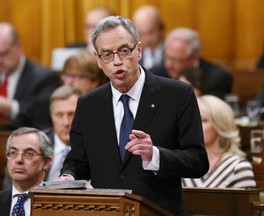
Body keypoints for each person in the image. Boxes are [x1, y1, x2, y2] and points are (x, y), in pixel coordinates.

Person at [58, 16, 209, 215]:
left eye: (124, 51)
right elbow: (78, 161)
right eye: (107, 55)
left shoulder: (177, 95)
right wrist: (68, 177)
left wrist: (155, 155)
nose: (117, 62)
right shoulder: (88, 104)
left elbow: (198, 161)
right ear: (98, 60)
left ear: (138, 50)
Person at [2, 49, 106, 131]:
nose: (68, 82)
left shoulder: (105, 108)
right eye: (66, 75)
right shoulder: (45, 103)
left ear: (94, 81)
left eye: (75, 77)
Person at [0, 22, 60, 124]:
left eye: (3, 54)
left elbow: (42, 115)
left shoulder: (44, 78)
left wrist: (11, 107)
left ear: (19, 47)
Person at [182, 95, 256, 188]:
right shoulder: (182, 163)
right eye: (193, 121)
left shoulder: (238, 167)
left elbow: (245, 202)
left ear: (220, 125)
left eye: (203, 120)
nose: (195, 127)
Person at [0, 127, 53, 215]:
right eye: (13, 153)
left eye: (29, 154)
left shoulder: (59, 206)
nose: (18, 160)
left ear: (46, 162)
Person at [151, 27, 233, 100]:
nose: (168, 65)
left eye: (176, 60)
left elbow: (214, 113)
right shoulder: (155, 75)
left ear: (194, 58)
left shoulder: (218, 79)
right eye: (166, 57)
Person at [132, 5, 165, 70]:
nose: (147, 39)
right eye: (142, 34)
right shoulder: (134, 55)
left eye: (151, 32)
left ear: (161, 28)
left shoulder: (172, 52)